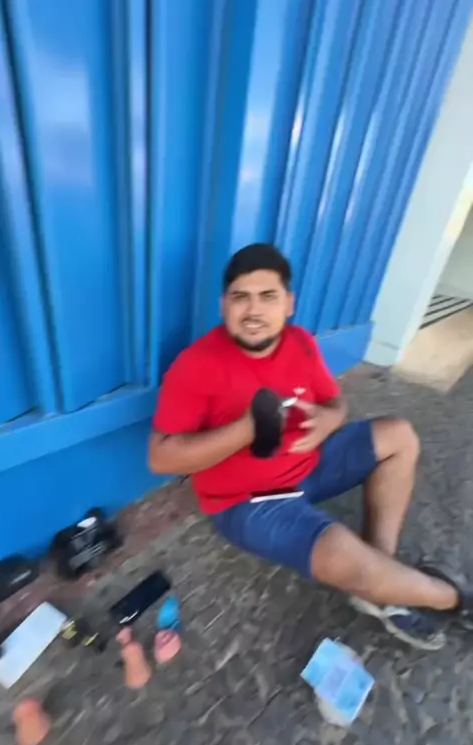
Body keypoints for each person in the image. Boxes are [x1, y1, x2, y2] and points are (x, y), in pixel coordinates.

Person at [149, 243, 472, 650]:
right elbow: (161, 457)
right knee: (340, 553)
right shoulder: (196, 364)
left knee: (399, 436)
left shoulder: (299, 342)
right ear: (223, 305)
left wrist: (330, 420)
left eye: (268, 296)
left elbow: (335, 402)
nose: (253, 310)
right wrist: (246, 429)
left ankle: (378, 581)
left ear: (289, 303)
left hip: (309, 464)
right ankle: (452, 598)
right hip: (248, 502)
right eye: (240, 297)